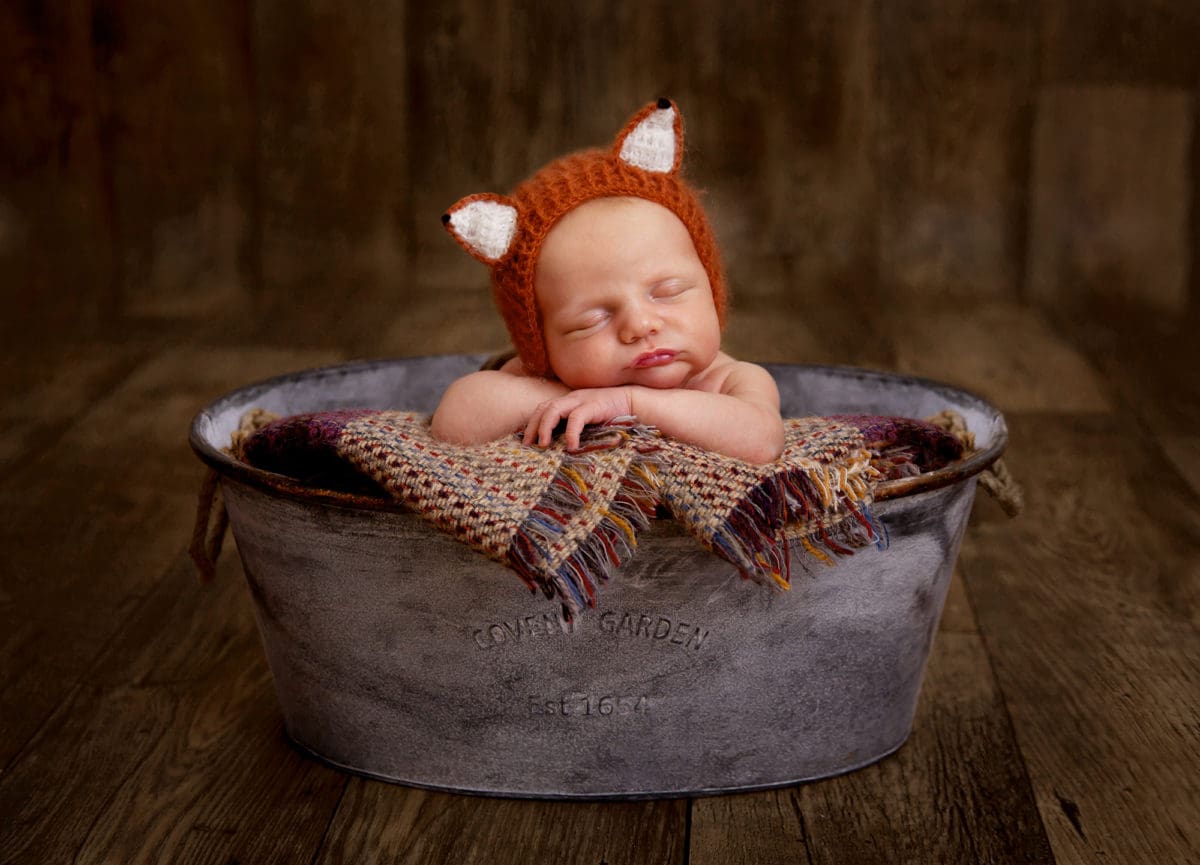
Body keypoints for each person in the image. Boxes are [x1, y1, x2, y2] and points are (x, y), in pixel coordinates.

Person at [431, 99, 785, 464]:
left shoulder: (729, 380)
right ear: (540, 347)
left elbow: (761, 441)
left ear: (711, 291)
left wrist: (627, 403)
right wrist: (567, 397)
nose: (641, 325)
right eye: (592, 320)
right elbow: (454, 420)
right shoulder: (548, 376)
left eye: (669, 292)